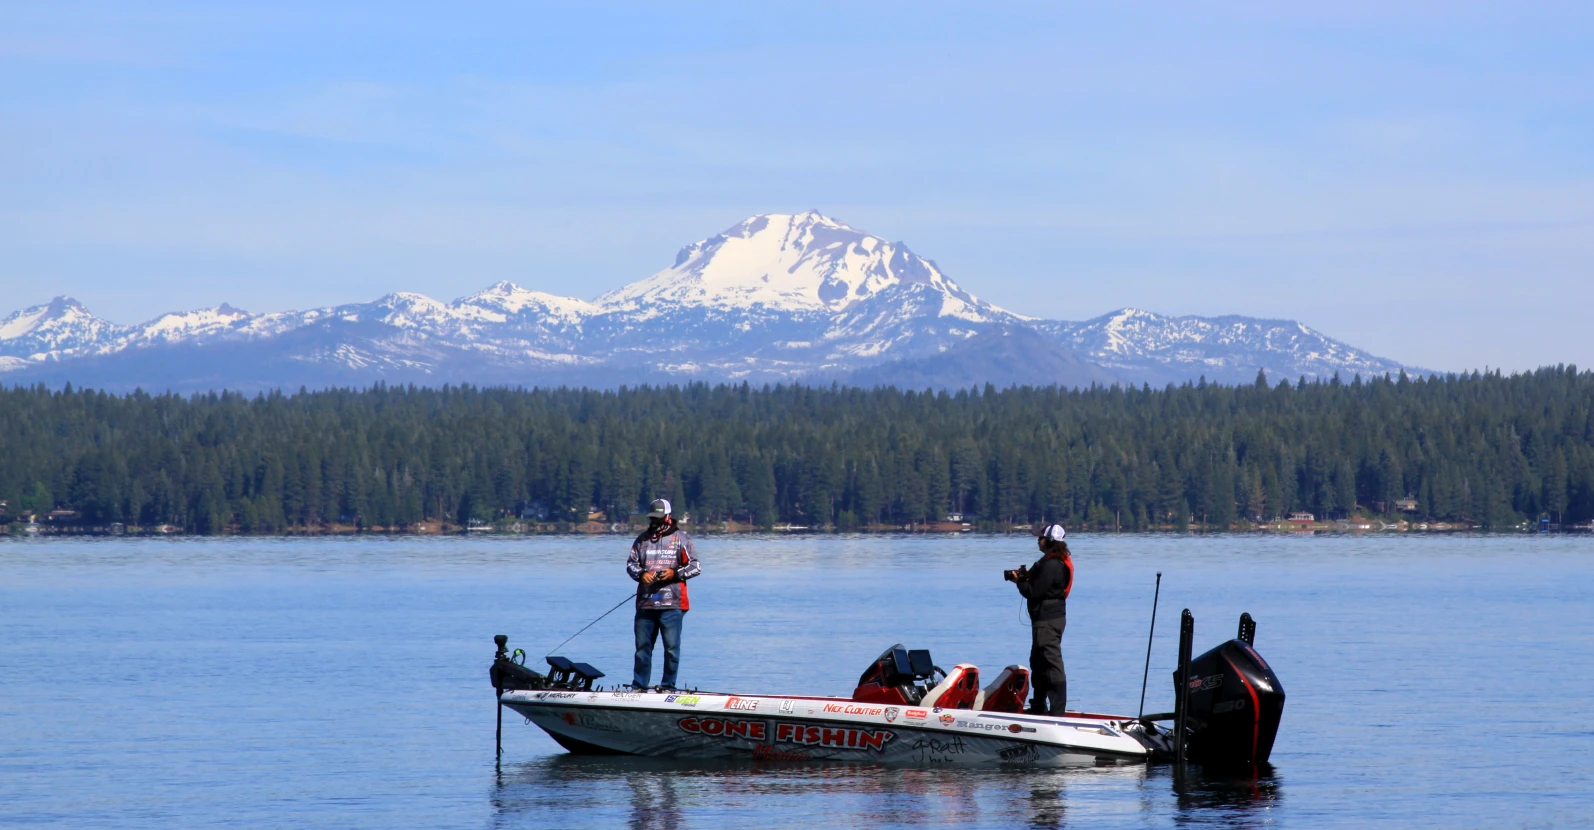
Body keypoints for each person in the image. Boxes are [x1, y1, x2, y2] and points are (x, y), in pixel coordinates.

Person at [626, 498, 701, 691]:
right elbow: (630, 565)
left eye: (659, 517)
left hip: (673, 605)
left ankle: (668, 686)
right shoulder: (641, 540)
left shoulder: (681, 539)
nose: (655, 521)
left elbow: (695, 566)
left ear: (668, 516)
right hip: (646, 604)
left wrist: (674, 573)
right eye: (653, 517)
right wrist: (642, 574)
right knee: (642, 650)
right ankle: (639, 686)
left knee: (671, 650)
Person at [1011, 523, 1073, 715]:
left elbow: (1035, 592)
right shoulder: (1051, 562)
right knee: (1038, 661)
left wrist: (1019, 582)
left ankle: (1057, 712)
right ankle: (1038, 706)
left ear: (1049, 541)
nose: (1038, 540)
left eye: (1040, 538)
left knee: (1051, 663)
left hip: (1048, 621)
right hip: (1046, 620)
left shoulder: (1052, 565)